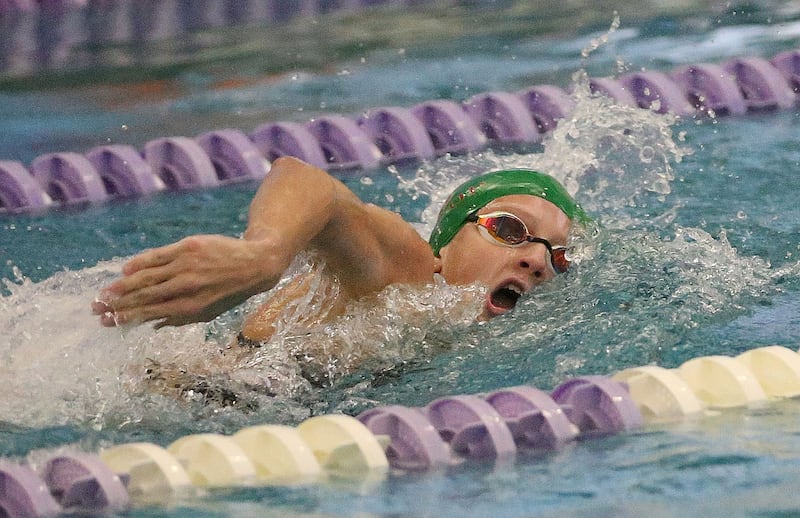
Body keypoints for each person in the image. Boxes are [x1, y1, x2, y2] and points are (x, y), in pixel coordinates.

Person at [92, 156, 589, 347]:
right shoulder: (413, 271)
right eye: (508, 229)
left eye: (558, 255)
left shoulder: (448, 326)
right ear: (446, 240)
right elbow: (310, 184)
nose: (538, 260)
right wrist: (263, 255)